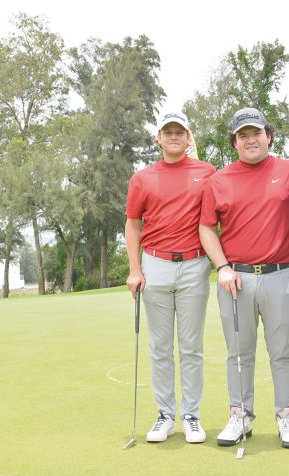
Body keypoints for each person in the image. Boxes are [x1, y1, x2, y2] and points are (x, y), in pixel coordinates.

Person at [199, 107, 289, 449]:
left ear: (268, 136)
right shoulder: (219, 181)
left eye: (256, 133)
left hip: (282, 275)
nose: (251, 140)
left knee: (284, 352)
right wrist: (222, 266)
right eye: (243, 135)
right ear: (234, 142)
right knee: (238, 353)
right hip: (236, 279)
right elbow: (206, 228)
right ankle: (240, 415)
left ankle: (287, 416)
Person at [124, 109, 216, 444]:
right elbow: (133, 224)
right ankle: (165, 415)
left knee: (191, 347)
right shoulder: (143, 178)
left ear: (188, 138)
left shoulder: (206, 172)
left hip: (194, 265)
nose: (174, 136)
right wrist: (135, 269)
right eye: (168, 132)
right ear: (158, 139)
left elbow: (215, 217)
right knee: (160, 347)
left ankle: (191, 415)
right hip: (156, 265)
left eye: (180, 132)